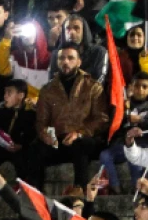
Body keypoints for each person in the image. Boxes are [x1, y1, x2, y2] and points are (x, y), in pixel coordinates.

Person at [32, 43, 107, 189]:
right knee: (35, 148)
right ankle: (35, 197)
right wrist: (45, 134)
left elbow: (101, 119)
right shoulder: (48, 89)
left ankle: (79, 194)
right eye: (62, 58)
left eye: (70, 58)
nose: (65, 62)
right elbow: (41, 121)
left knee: (80, 146)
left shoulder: (93, 87)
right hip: (58, 141)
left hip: (84, 139)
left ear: (79, 61)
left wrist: (79, 133)